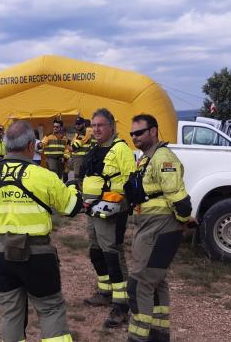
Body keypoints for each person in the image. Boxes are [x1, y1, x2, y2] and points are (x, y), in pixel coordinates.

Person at [0, 120, 82, 342]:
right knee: (50, 310)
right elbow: (71, 208)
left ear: (6, 145)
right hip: (37, 256)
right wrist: (72, 187)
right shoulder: (45, 176)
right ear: (31, 145)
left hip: (1, 256)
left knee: (11, 314)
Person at [125, 114, 192, 342]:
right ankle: (159, 334)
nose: (135, 137)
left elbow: (180, 200)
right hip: (149, 225)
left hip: (159, 227)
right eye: (132, 133)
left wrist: (183, 220)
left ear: (153, 131)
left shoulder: (163, 158)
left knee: (139, 283)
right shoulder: (146, 158)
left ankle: (138, 337)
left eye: (139, 132)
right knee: (156, 281)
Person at [80, 108, 136, 328]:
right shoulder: (96, 148)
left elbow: (131, 181)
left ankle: (121, 306)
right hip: (93, 211)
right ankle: (104, 292)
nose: (96, 130)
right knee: (96, 252)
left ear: (112, 126)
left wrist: (117, 202)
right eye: (93, 126)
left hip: (111, 212)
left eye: (100, 125)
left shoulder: (121, 149)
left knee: (112, 255)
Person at [68, 116, 93, 180]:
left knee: (77, 177)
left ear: (83, 124)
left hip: (80, 157)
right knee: (76, 174)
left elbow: (75, 145)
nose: (77, 125)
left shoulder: (85, 131)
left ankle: (77, 188)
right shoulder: (78, 133)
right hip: (77, 156)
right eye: (76, 124)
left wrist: (70, 147)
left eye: (79, 124)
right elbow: (72, 143)